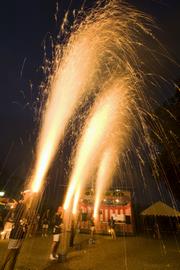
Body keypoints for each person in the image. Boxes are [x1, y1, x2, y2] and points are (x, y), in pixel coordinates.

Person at [0, 190, 31, 270]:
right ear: (24, 195)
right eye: (29, 194)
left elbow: (27, 219)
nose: (31, 195)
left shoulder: (27, 206)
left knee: (16, 253)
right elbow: (14, 213)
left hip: (21, 232)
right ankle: (2, 267)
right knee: (10, 252)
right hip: (16, 231)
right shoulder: (19, 204)